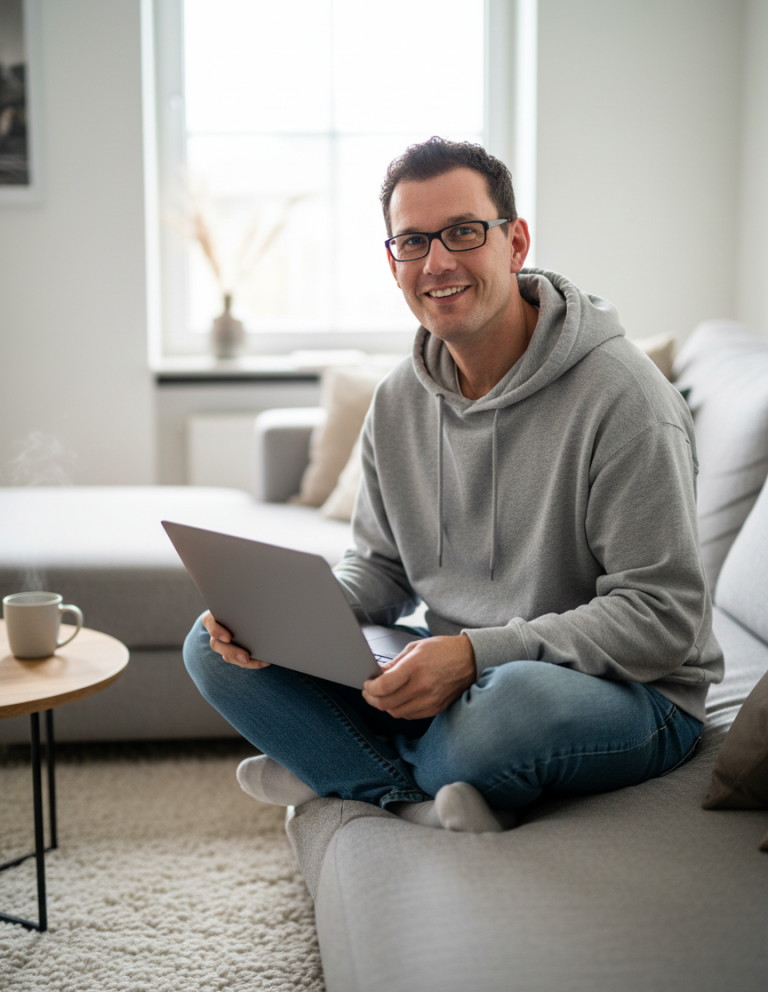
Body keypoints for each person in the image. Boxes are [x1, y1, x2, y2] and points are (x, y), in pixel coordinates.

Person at [183, 137, 723, 833]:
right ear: (393, 262)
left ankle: (337, 770)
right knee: (212, 647)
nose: (438, 262)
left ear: (515, 242)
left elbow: (662, 618)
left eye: (463, 233)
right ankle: (412, 796)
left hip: (623, 692)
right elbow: (378, 568)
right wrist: (289, 617)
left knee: (506, 712)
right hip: (451, 675)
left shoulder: (627, 403)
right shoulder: (398, 400)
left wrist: (474, 656)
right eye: (412, 242)